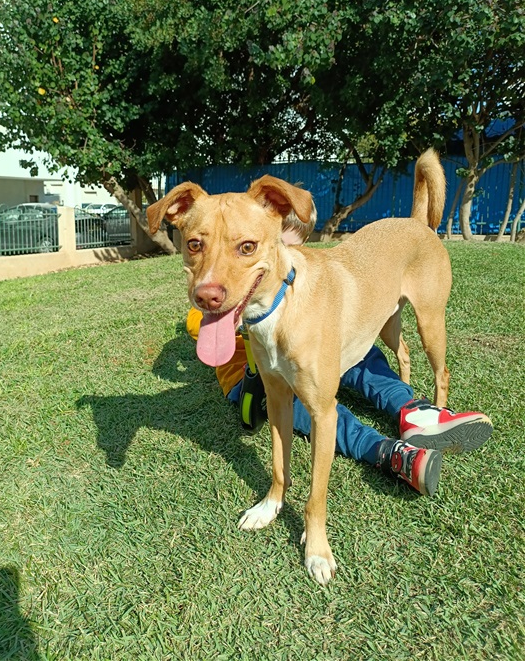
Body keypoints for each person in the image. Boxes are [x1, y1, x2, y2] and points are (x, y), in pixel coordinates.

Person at [186, 208, 493, 498]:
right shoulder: (212, 306)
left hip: (302, 337)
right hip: (248, 381)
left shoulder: (294, 275)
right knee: (307, 407)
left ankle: (419, 411)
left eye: (295, 248)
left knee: (364, 358)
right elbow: (205, 326)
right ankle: (385, 451)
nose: (288, 259)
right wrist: (232, 322)